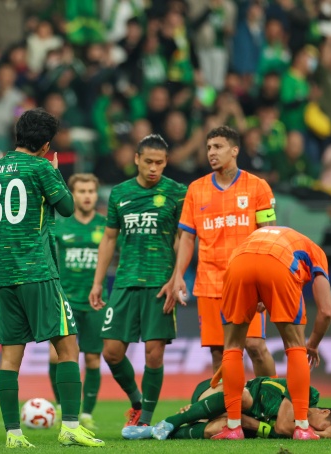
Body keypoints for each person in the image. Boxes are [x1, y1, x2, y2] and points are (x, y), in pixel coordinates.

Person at [0, 108, 105, 448]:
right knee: (68, 347)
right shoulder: (42, 168)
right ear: (45, 145)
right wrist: (55, 174)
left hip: (2, 274)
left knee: (10, 356)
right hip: (37, 271)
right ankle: (70, 427)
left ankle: (13, 434)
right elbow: (68, 208)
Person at [89, 135, 187, 434]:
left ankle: (145, 419)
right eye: (148, 162)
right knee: (111, 352)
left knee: (154, 353)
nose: (153, 168)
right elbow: (109, 238)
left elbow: (184, 238)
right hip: (125, 281)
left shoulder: (177, 192)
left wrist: (177, 277)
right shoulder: (120, 193)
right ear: (136, 159)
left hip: (160, 283)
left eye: (159, 163)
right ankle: (137, 401)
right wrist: (97, 282)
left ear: (166, 162)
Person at [170, 126, 277, 376]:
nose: (211, 152)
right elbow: (187, 237)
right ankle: (231, 402)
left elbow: (268, 236)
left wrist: (265, 281)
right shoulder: (196, 189)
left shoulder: (258, 186)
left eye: (218, 147)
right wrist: (178, 275)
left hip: (247, 282)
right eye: (208, 148)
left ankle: (272, 396)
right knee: (219, 353)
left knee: (255, 346)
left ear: (234, 150)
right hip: (209, 284)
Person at [211, 226, 331, 440]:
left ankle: (233, 427)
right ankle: (302, 428)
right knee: (295, 347)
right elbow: (326, 312)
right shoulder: (315, 251)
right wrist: (312, 345)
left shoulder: (259, 236)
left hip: (238, 262)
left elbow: (255, 263)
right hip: (279, 263)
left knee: (232, 347)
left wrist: (259, 295)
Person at [48, 173, 108, 431]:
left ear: (96, 194)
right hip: (65, 301)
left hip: (95, 303)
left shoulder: (106, 226)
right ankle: (62, 407)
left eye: (91, 191)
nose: (87, 196)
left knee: (93, 359)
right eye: (81, 191)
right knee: (57, 357)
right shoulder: (60, 224)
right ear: (72, 194)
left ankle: (86, 414)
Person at [135, 377, 331, 440]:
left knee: (220, 429)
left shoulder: (295, 430)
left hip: (229, 415)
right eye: (321, 427)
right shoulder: (307, 393)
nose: (314, 431)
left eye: (319, 432)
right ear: (324, 412)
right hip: (217, 391)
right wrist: (322, 436)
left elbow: (247, 423)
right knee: (244, 399)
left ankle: (156, 432)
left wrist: (244, 422)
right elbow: (283, 427)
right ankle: (172, 421)